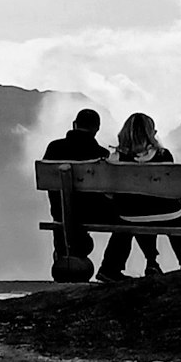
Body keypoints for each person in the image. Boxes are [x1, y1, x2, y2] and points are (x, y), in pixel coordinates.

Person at [97, 111, 181, 281]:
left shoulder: (115, 159)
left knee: (136, 214)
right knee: (175, 213)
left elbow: (109, 193)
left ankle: (150, 260)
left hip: (132, 215)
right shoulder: (164, 155)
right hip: (169, 214)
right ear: (151, 134)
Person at [41, 107, 112, 281]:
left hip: (60, 212)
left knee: (62, 216)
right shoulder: (101, 154)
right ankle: (111, 267)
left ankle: (64, 254)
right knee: (127, 218)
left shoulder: (54, 147)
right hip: (93, 214)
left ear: (74, 125)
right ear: (97, 129)